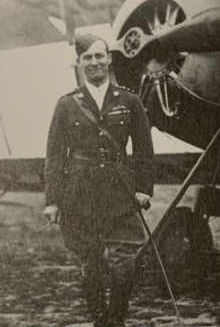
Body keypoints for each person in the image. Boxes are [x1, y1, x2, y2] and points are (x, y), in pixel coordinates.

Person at [44, 33, 155, 327]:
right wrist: (52, 201)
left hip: (120, 192)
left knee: (124, 263)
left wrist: (144, 188)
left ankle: (115, 320)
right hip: (79, 194)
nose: (94, 62)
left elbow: (144, 149)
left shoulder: (129, 100)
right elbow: (54, 155)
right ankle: (99, 320)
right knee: (90, 264)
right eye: (87, 58)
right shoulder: (66, 104)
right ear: (79, 63)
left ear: (109, 59)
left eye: (99, 56)